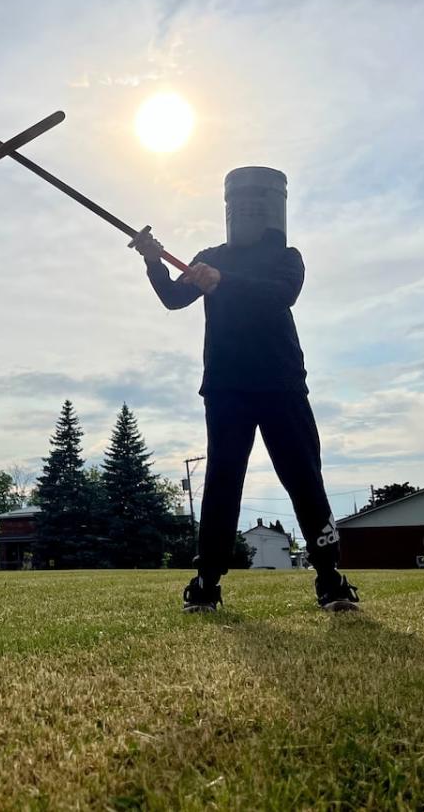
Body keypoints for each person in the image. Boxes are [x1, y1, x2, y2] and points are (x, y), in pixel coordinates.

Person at [131, 166, 359, 613]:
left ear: (276, 206)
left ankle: (330, 579)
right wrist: (153, 259)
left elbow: (281, 294)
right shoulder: (210, 255)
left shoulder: (286, 257)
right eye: (239, 201)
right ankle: (206, 582)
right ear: (227, 206)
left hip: (281, 382)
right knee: (222, 480)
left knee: (302, 476)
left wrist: (223, 281)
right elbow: (175, 299)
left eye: (258, 201)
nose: (248, 210)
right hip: (226, 385)